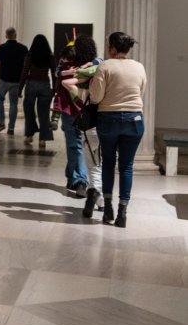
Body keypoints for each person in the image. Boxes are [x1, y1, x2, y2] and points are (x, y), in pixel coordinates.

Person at [88, 32, 146, 228]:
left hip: (109, 119)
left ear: (112, 47)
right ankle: (123, 213)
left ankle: (109, 209)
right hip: (134, 120)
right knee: (127, 166)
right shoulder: (139, 67)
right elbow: (140, 91)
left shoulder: (105, 66)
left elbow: (95, 98)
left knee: (108, 164)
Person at [54, 34, 98, 198]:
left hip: (72, 109)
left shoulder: (68, 66)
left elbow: (59, 82)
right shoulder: (95, 66)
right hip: (87, 109)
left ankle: (80, 180)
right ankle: (73, 176)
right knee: (78, 145)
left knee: (75, 144)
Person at [18, 34, 54, 149]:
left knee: (29, 111)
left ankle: (29, 135)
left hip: (31, 84)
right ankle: (43, 139)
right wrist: (54, 89)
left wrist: (20, 88)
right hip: (45, 84)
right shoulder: (50, 56)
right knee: (44, 113)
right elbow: (54, 73)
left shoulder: (30, 55)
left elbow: (24, 72)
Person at [0, 27, 28, 135]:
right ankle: (11, 128)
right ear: (15, 35)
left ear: (6, 35)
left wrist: (2, 66)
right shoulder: (23, 48)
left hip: (3, 79)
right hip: (17, 81)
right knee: (13, 103)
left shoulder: (1, 47)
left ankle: (1, 123)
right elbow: (27, 64)